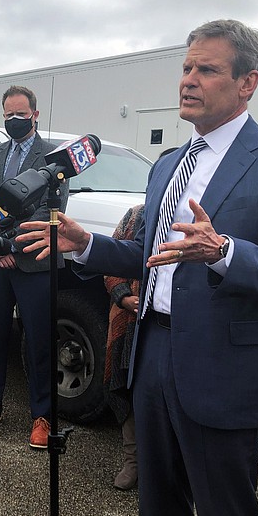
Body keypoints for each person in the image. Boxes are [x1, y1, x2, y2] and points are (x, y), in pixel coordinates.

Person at [17, 20, 258, 516]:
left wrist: (225, 252)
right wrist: (85, 243)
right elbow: (151, 259)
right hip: (152, 354)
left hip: (223, 368)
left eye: (206, 69)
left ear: (247, 82)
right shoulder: (166, 167)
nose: (189, 80)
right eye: (186, 68)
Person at [0, 85, 68, 450]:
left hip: (34, 260)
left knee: (38, 339)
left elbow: (50, 210)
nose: (14, 120)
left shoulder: (53, 157)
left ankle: (43, 415)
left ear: (35, 115)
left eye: (20, 114)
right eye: (8, 115)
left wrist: (11, 245)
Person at [103, 203, 143, 491]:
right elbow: (111, 261)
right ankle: (133, 462)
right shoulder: (135, 215)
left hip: (174, 322)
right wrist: (124, 297)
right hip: (128, 318)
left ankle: (164, 465)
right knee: (127, 385)